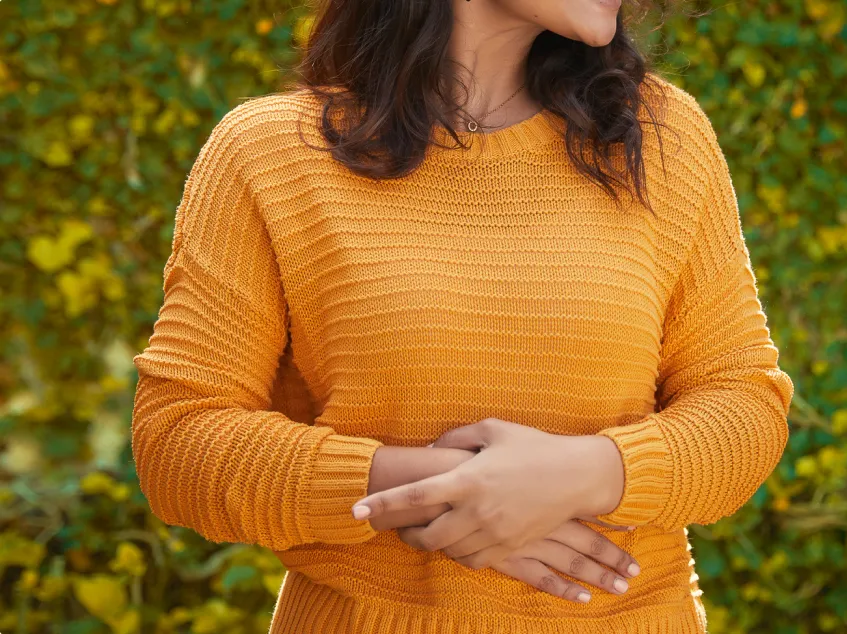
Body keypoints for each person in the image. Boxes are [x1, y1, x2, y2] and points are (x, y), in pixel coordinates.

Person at [129, 0, 795, 632]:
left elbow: (742, 405)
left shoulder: (659, 138)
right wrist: (444, 493)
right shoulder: (267, 154)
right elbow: (177, 443)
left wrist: (580, 476)